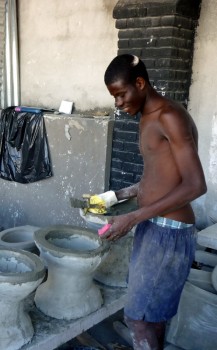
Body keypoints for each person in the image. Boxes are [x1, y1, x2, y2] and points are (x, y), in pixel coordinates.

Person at [102, 54, 207, 350]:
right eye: (114, 97)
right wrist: (115, 196)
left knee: (138, 319)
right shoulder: (147, 117)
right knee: (151, 314)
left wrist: (132, 218)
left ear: (140, 83)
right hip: (154, 227)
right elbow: (159, 177)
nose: (119, 103)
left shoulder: (168, 116)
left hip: (169, 233)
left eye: (121, 94)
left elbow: (196, 184)